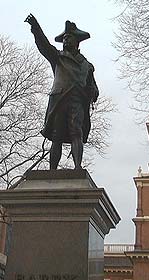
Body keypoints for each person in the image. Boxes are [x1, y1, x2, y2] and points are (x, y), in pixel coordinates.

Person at [25, 14, 99, 169]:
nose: (65, 40)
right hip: (59, 100)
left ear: (77, 42)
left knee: (76, 133)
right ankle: (53, 170)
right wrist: (35, 27)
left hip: (77, 101)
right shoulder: (57, 57)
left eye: (69, 37)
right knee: (56, 136)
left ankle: (78, 167)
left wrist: (92, 92)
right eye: (64, 38)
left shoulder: (87, 66)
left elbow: (94, 89)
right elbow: (44, 45)